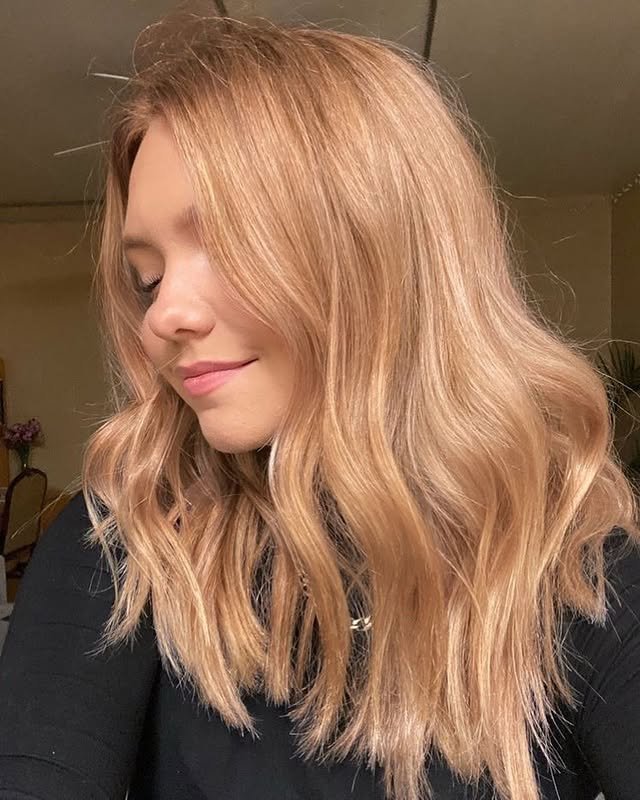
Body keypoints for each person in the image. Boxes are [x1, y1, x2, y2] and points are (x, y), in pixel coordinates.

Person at [1, 7, 639, 800]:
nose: (163, 315)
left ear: (378, 246)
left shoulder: (566, 554)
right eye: (148, 276)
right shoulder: (126, 539)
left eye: (229, 243)